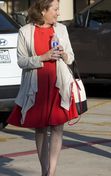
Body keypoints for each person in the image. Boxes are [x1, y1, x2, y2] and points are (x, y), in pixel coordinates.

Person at [7, 0, 78, 175]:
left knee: (57, 127)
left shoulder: (61, 29)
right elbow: (22, 61)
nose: (58, 13)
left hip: (58, 84)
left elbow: (71, 58)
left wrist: (64, 54)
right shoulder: (25, 31)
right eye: (55, 9)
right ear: (43, 10)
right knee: (41, 129)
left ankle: (51, 172)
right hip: (36, 86)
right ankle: (44, 169)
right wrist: (42, 57)